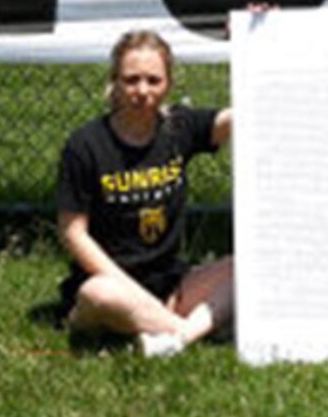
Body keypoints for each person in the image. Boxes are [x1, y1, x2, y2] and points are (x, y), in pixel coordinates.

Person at [56, 29, 235, 356]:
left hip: (170, 284)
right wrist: (127, 288)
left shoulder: (179, 128)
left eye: (154, 80)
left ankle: (169, 338)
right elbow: (73, 233)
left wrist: (255, 37)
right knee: (99, 295)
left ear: (169, 84)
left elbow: (242, 117)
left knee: (243, 268)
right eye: (131, 80)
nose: (142, 91)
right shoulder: (85, 145)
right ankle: (184, 331)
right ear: (114, 83)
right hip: (109, 286)